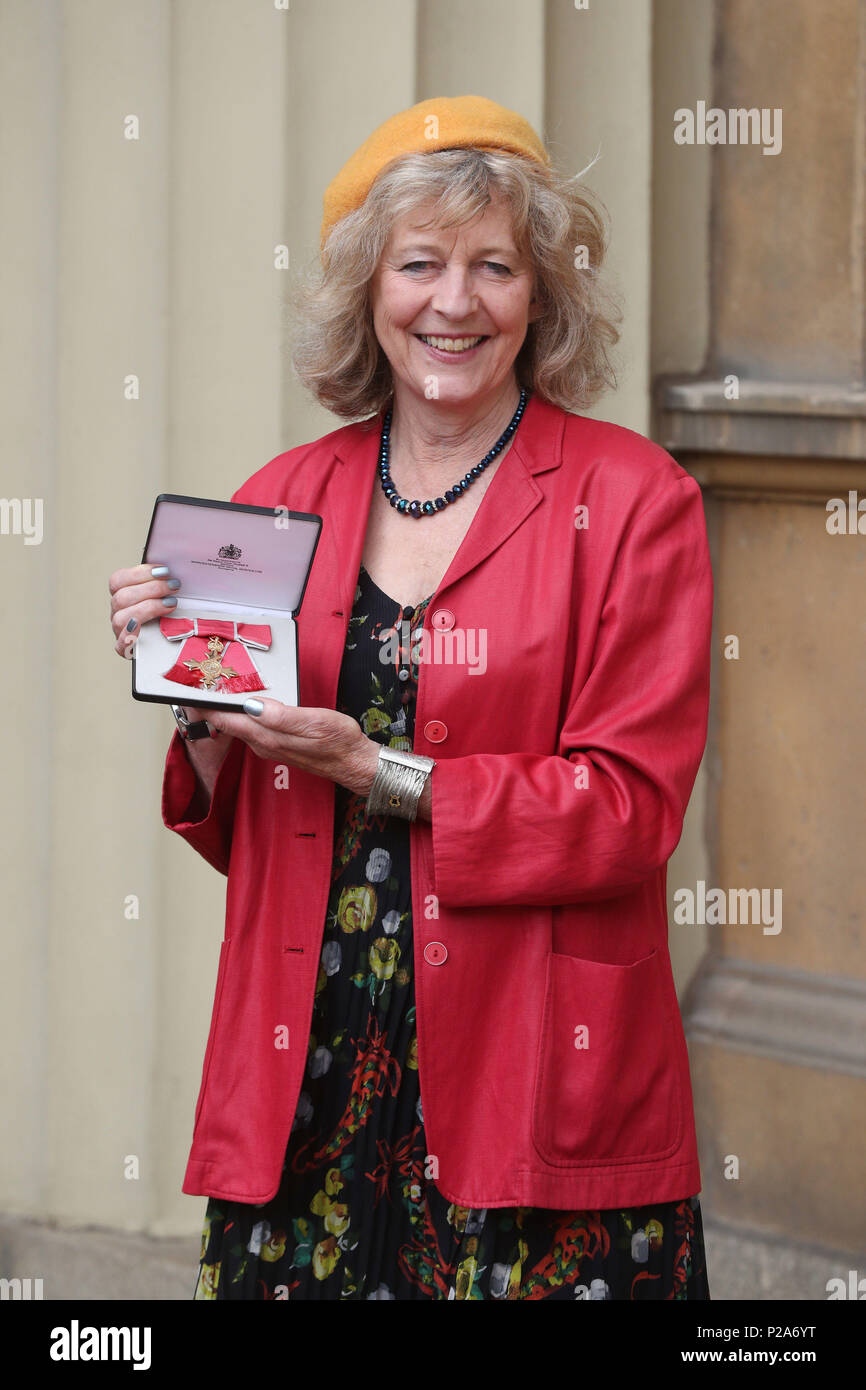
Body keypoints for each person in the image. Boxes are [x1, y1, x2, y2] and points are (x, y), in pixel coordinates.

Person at [109, 95, 713, 1300]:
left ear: (538, 294)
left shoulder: (633, 501)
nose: (454, 302)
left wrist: (373, 768)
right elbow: (248, 833)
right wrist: (193, 696)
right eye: (419, 264)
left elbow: (628, 809)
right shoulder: (281, 497)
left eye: (494, 266)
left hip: (528, 1060)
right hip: (313, 1055)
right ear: (367, 291)